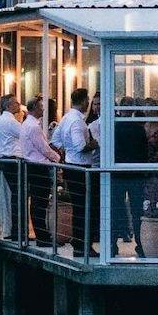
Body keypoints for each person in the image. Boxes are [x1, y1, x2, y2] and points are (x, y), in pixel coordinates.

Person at [56, 87, 98, 255]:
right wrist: (95, 144)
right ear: (82, 102)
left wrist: (66, 152)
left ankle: (79, 243)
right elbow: (81, 146)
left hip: (71, 166)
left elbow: (56, 139)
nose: (89, 104)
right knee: (84, 207)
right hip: (81, 168)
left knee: (79, 207)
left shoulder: (66, 118)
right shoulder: (78, 121)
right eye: (87, 100)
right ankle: (82, 245)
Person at [108, 99, 149, 257]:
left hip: (117, 174)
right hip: (135, 174)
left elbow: (111, 149)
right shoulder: (139, 129)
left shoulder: (114, 127)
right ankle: (140, 245)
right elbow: (144, 152)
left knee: (115, 210)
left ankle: (112, 244)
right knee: (137, 211)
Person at [18, 96, 61, 245]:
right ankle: (42, 236)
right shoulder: (33, 126)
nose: (43, 109)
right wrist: (57, 158)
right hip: (39, 166)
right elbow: (43, 148)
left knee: (37, 202)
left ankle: (42, 235)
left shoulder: (26, 124)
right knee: (40, 202)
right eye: (41, 106)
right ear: (35, 107)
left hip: (32, 164)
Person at [0, 94, 23, 239]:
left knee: (13, 195)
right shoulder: (10, 121)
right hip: (13, 159)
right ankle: (18, 231)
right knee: (18, 195)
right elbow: (25, 135)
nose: (19, 105)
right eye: (16, 103)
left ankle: (13, 229)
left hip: (4, 159)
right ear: (9, 106)